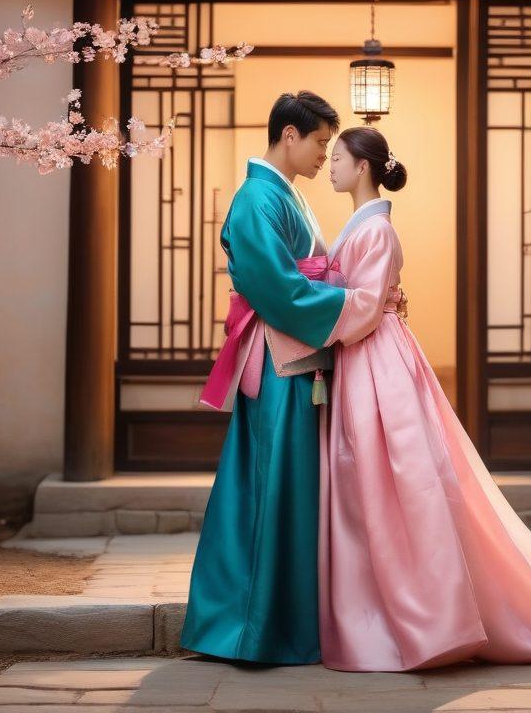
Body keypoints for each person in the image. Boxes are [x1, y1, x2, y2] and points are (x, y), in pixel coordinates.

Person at [318, 125, 531, 673]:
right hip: (370, 357)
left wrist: (315, 316)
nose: (331, 166)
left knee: (397, 481)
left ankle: (426, 613)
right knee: (374, 483)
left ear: (363, 167)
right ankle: (394, 609)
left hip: (375, 357)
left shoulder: (374, 230)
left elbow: (366, 305)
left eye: (338, 158)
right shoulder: (365, 224)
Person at [180, 91, 349, 665]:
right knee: (272, 483)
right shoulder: (258, 197)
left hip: (294, 352)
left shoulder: (283, 196)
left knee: (286, 487)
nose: (326, 153)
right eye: (321, 141)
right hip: (281, 356)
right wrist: (348, 303)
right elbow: (278, 285)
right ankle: (250, 628)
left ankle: (274, 622)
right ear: (289, 136)